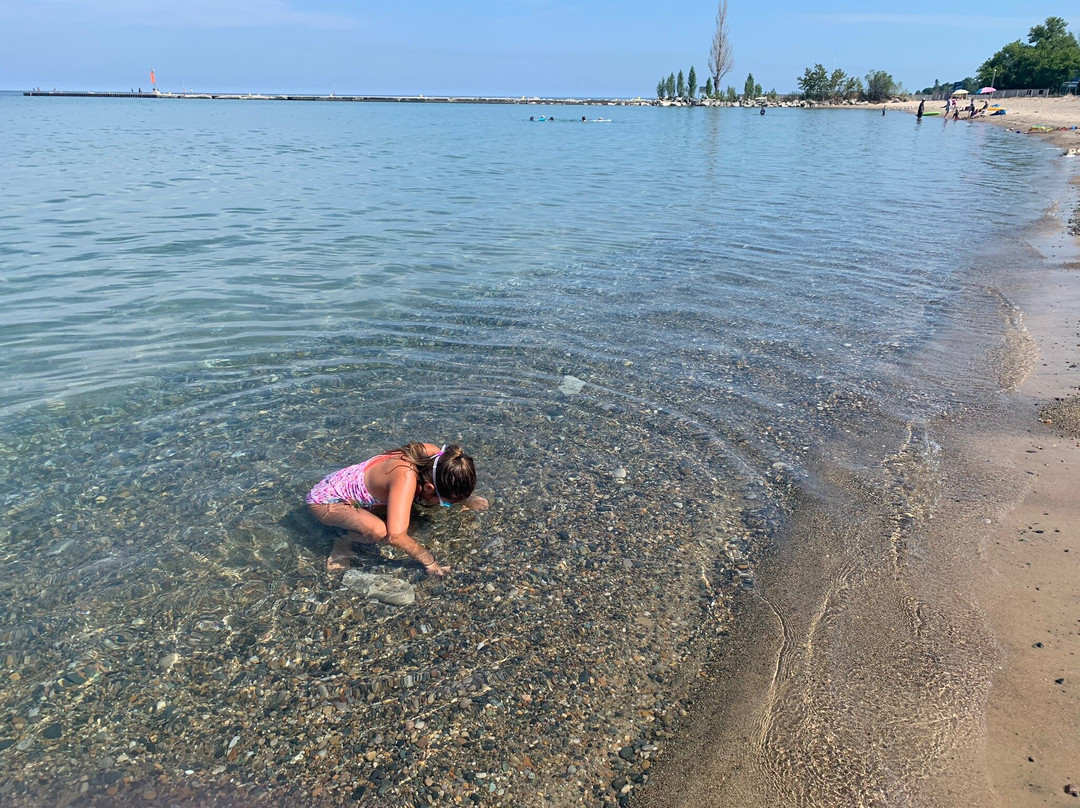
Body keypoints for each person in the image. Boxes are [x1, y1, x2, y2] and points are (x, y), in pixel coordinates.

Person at [307, 442, 488, 575]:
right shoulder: (405, 479)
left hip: (345, 483)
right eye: (447, 503)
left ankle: (366, 515)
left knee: (408, 520)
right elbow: (396, 537)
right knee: (379, 531)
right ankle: (345, 542)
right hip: (326, 501)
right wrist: (429, 561)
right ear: (428, 488)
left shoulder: (435, 457)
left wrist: (465, 499)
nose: (446, 506)